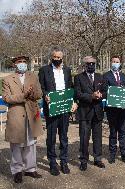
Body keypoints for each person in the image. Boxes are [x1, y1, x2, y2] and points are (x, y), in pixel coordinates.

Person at [2, 56, 43, 183]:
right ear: (14, 64)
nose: (22, 64)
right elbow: (7, 98)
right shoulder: (7, 79)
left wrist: (32, 94)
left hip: (31, 113)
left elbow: (39, 94)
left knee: (31, 143)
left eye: (24, 62)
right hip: (16, 115)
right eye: (20, 62)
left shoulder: (33, 76)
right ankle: (17, 171)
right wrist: (23, 96)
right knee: (16, 144)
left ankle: (30, 169)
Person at [38, 47, 76, 176]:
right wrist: (45, 95)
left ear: (62, 58)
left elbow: (70, 87)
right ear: (51, 57)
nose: (57, 59)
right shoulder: (44, 70)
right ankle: (52, 162)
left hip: (65, 109)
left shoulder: (67, 70)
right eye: (55, 57)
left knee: (64, 137)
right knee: (51, 137)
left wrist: (73, 102)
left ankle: (64, 161)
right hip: (52, 108)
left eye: (59, 57)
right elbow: (41, 87)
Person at [74, 56, 106, 171]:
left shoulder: (100, 77)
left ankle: (97, 159)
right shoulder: (78, 78)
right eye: (88, 64)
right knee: (84, 138)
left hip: (97, 112)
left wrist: (101, 95)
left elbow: (105, 91)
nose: (91, 65)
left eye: (93, 63)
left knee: (98, 138)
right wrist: (91, 96)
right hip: (84, 112)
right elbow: (78, 94)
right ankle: (83, 160)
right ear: (84, 65)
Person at [102, 56, 125, 164]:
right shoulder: (106, 76)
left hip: (123, 109)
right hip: (112, 109)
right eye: (114, 62)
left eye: (117, 62)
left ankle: (124, 154)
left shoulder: (124, 76)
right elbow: (104, 90)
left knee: (123, 132)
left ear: (120, 63)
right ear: (111, 63)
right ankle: (112, 154)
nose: (115, 63)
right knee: (113, 131)